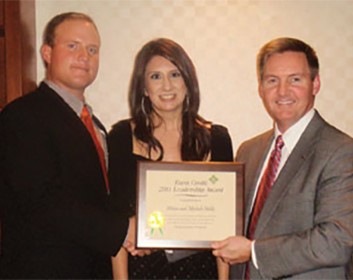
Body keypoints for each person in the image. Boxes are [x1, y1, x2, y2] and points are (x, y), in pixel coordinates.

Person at [0, 12, 129, 279]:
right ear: (47, 52)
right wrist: (122, 231)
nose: (85, 56)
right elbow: (41, 201)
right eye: (73, 46)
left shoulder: (98, 127)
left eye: (92, 49)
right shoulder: (22, 116)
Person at [212, 37, 353, 279]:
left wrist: (254, 251)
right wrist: (157, 236)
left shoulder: (340, 151)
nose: (282, 91)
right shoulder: (249, 151)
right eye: (272, 80)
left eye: (295, 80)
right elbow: (223, 223)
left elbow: (336, 241)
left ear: (315, 84)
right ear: (261, 88)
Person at [108, 38, 233, 279]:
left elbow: (224, 229)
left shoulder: (217, 139)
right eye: (155, 77)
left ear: (188, 81)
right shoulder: (122, 138)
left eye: (175, 74)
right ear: (143, 87)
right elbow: (115, 224)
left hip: (201, 273)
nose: (167, 86)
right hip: (142, 272)